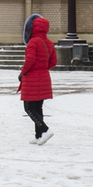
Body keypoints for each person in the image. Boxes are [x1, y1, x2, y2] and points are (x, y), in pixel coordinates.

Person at [18, 14, 58, 145]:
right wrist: (42, 68)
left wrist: (23, 72)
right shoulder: (49, 43)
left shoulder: (33, 42)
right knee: (38, 106)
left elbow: (30, 60)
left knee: (29, 107)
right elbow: (53, 62)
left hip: (32, 78)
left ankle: (45, 130)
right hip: (44, 77)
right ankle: (38, 135)